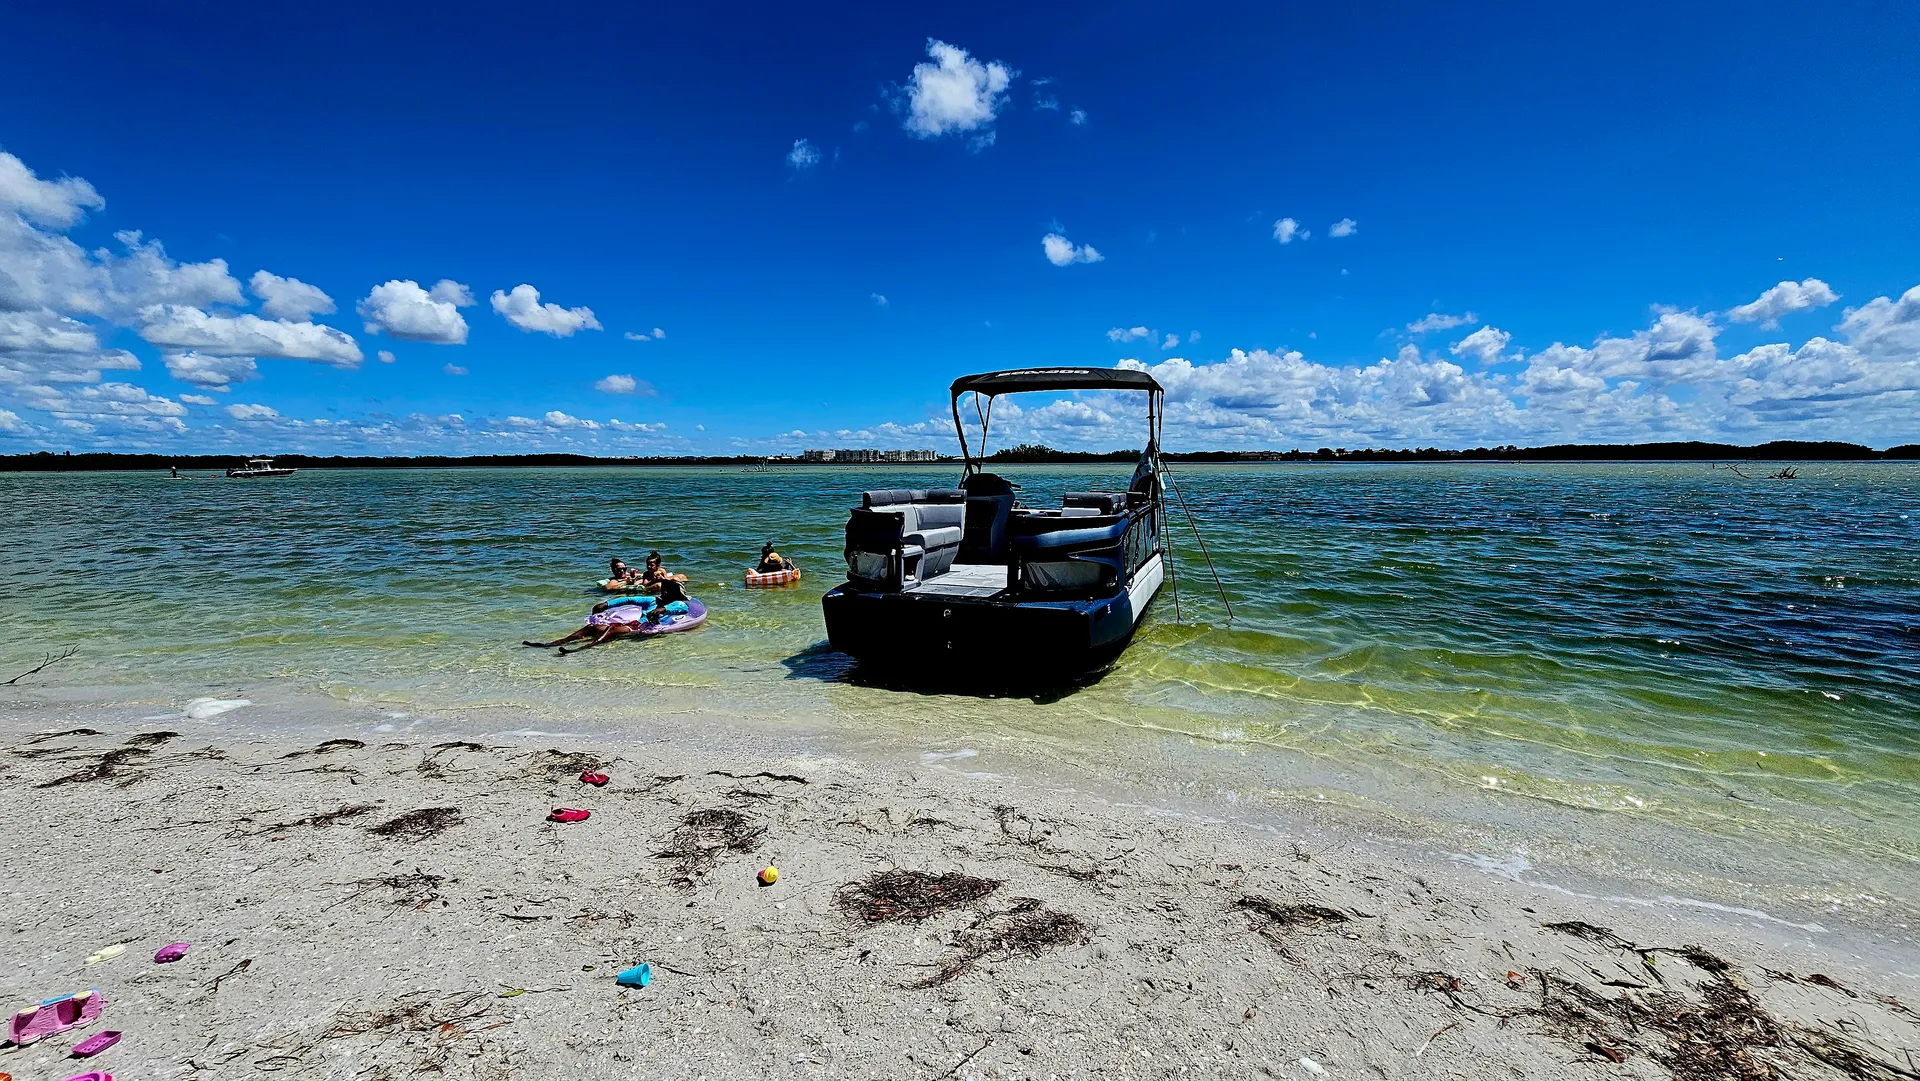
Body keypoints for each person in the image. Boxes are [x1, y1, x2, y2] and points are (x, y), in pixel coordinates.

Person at [524, 599, 651, 654]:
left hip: (638, 626)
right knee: (592, 627)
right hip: (629, 623)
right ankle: (554, 643)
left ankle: (584, 647)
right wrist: (607, 604)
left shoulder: (664, 608)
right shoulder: (651, 600)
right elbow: (628, 600)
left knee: (612, 630)